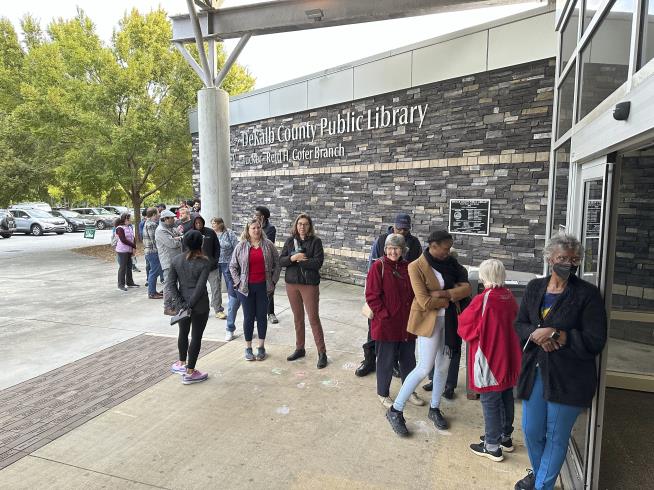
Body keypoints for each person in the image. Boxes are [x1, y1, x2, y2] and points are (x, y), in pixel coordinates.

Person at [513, 234, 607, 490]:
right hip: (536, 373)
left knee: (556, 436)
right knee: (532, 432)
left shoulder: (587, 295)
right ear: (550, 259)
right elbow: (520, 324)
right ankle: (541, 474)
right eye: (563, 258)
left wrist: (558, 334)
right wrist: (536, 334)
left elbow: (595, 340)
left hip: (570, 377)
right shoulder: (534, 288)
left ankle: (542, 485)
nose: (569, 263)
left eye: (574, 259)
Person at [386, 230, 471, 437]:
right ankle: (395, 410)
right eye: (445, 248)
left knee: (443, 367)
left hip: (450, 321)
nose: (448, 252)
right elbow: (424, 301)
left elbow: (467, 288)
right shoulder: (416, 266)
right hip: (429, 321)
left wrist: (444, 294)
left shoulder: (452, 263)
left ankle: (434, 408)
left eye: (449, 248)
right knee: (424, 367)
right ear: (433, 246)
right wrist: (452, 297)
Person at [457, 259, 521, 462]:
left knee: (490, 400)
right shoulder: (509, 296)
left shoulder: (483, 299)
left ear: (485, 277)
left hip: (488, 356)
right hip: (508, 356)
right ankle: (505, 438)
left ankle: (492, 446)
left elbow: (465, 327)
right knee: (505, 396)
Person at [355, 213, 422, 378]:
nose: (402, 232)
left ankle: (393, 364)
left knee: (399, 334)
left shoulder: (414, 243)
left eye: (406, 229)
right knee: (374, 330)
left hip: (402, 296)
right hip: (381, 292)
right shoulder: (382, 240)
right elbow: (373, 265)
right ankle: (369, 361)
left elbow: (418, 267)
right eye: (400, 228)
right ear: (394, 225)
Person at [365, 233, 423, 408]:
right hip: (387, 324)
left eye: (396, 248)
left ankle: (409, 390)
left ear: (403, 250)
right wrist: (385, 315)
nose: (393, 251)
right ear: (385, 249)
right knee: (386, 361)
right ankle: (383, 393)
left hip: (407, 323)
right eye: (389, 248)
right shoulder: (378, 266)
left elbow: (416, 293)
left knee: (409, 360)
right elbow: (372, 296)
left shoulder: (409, 267)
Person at [280, 213, 328, 369]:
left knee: (313, 318)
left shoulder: (316, 242)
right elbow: (281, 260)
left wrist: (302, 260)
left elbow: (318, 262)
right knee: (297, 318)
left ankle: (322, 353)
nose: (302, 226)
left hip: (309, 285)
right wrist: (292, 259)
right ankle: (300, 348)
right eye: (300, 224)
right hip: (292, 284)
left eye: (305, 224)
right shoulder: (289, 241)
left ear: (310, 226)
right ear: (296, 225)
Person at [230, 218, 280, 361]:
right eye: (253, 228)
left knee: (262, 316)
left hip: (264, 286)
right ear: (248, 230)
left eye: (258, 227)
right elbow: (232, 266)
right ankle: (248, 347)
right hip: (246, 288)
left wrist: (274, 280)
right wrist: (238, 282)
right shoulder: (241, 246)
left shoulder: (268, 245)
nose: (256, 230)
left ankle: (261, 347)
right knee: (248, 317)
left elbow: (277, 263)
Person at [167, 230, 212, 385]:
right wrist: (190, 305)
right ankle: (190, 372)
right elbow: (200, 288)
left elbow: (170, 285)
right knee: (196, 337)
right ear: (200, 243)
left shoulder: (176, 260)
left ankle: (181, 363)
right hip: (199, 305)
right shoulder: (205, 262)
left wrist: (181, 304)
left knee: (183, 333)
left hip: (182, 304)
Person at [212, 217, 241, 340]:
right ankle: (217, 308)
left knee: (230, 283)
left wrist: (235, 262)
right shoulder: (211, 234)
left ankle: (231, 301)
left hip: (228, 263)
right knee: (215, 285)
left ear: (220, 224)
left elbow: (236, 246)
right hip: (214, 263)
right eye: (212, 223)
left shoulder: (229, 233)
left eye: (215, 223)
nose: (213, 225)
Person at [192, 216, 222, 315]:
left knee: (216, 288)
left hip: (211, 266)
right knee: (199, 290)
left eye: (200, 222)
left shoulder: (210, 232)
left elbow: (217, 247)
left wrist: (215, 260)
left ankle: (218, 309)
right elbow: (186, 250)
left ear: (203, 223)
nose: (198, 224)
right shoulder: (190, 234)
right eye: (196, 223)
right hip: (197, 268)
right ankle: (202, 310)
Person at [155, 210, 183, 315]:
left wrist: (178, 237)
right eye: (171, 218)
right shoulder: (161, 230)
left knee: (174, 284)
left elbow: (180, 235)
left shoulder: (170, 228)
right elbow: (172, 243)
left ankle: (175, 305)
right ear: (165, 219)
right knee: (169, 285)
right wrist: (179, 239)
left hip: (175, 259)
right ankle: (167, 307)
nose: (174, 219)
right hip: (168, 261)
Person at [254, 206, 279, 324]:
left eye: (256, 215)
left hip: (267, 263)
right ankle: (256, 312)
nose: (254, 217)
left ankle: (271, 313)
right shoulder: (252, 226)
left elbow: (268, 244)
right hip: (254, 261)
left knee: (269, 289)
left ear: (262, 216)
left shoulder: (270, 228)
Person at [114, 213, 140, 291]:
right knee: (122, 267)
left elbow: (133, 237)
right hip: (122, 250)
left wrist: (133, 246)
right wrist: (133, 246)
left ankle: (129, 282)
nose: (131, 220)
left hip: (129, 250)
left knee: (129, 266)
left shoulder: (129, 227)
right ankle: (120, 284)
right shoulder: (120, 228)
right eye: (129, 218)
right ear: (126, 219)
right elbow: (123, 239)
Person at [143, 207, 163, 299]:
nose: (159, 215)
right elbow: (154, 239)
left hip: (150, 252)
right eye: (158, 213)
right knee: (154, 272)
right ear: (154, 214)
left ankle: (153, 291)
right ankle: (152, 293)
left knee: (154, 272)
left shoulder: (148, 223)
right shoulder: (151, 224)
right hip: (153, 252)